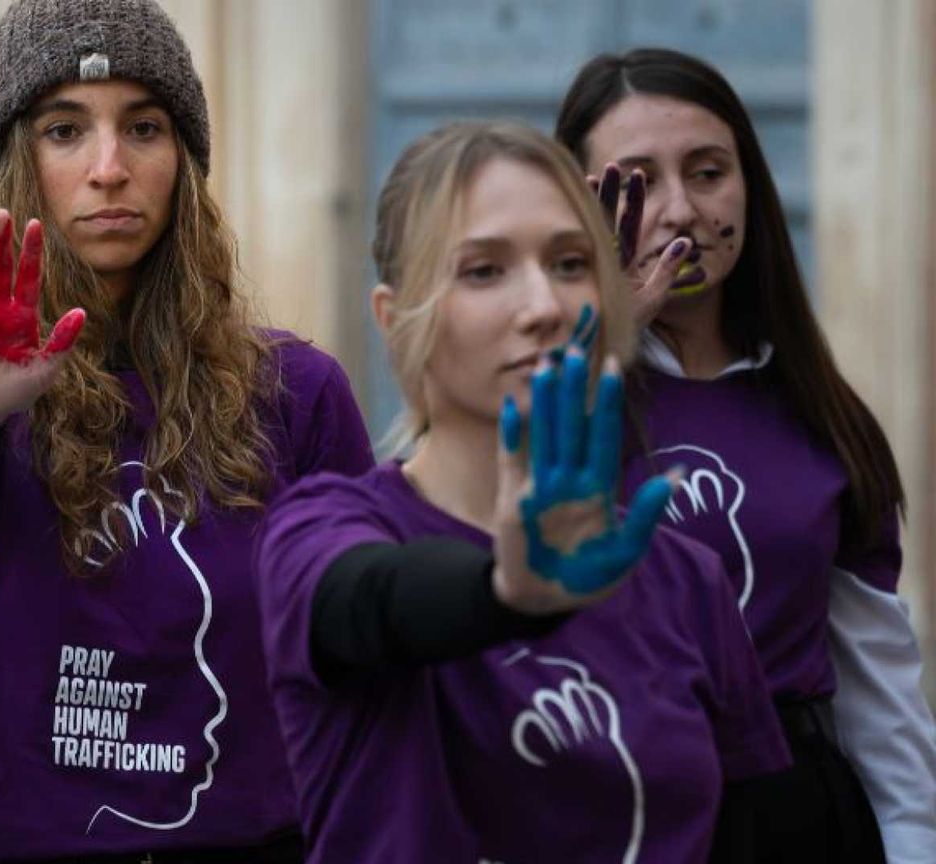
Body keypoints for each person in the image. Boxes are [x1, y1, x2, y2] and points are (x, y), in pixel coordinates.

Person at [0, 0, 373, 860]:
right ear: (12, 164)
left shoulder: (299, 394)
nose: (110, 167)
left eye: (143, 127)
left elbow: (359, 643)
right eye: (65, 131)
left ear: (183, 160)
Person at [255, 121, 791, 863]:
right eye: (483, 271)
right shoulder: (322, 530)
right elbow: (368, 603)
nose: (542, 305)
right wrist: (505, 593)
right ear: (393, 316)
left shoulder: (686, 578)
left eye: (572, 264)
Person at [557, 47, 936, 863]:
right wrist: (598, 340)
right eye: (637, 182)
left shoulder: (823, 417)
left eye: (707, 172)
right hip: (604, 808)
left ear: (750, 187)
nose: (679, 211)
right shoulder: (547, 401)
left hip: (790, 813)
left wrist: (914, 843)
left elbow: (881, 689)